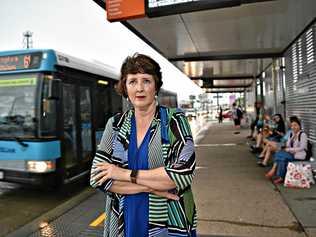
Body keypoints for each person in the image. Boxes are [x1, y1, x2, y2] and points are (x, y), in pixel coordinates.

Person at [90, 53, 197, 237]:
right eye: (132, 81)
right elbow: (97, 178)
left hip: (169, 221)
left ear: (156, 86)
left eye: (146, 80)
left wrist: (123, 174)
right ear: (125, 87)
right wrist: (151, 187)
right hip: (125, 220)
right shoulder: (115, 125)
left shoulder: (174, 120)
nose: (139, 88)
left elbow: (182, 175)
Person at [265, 116, 307, 184]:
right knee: (282, 159)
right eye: (292, 126)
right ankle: (281, 177)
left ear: (299, 125)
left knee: (279, 154)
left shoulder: (303, 134)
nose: (293, 127)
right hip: (290, 154)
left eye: (295, 125)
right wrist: (285, 147)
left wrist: (289, 149)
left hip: (298, 155)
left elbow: (302, 147)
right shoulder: (291, 134)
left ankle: (273, 170)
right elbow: (288, 144)